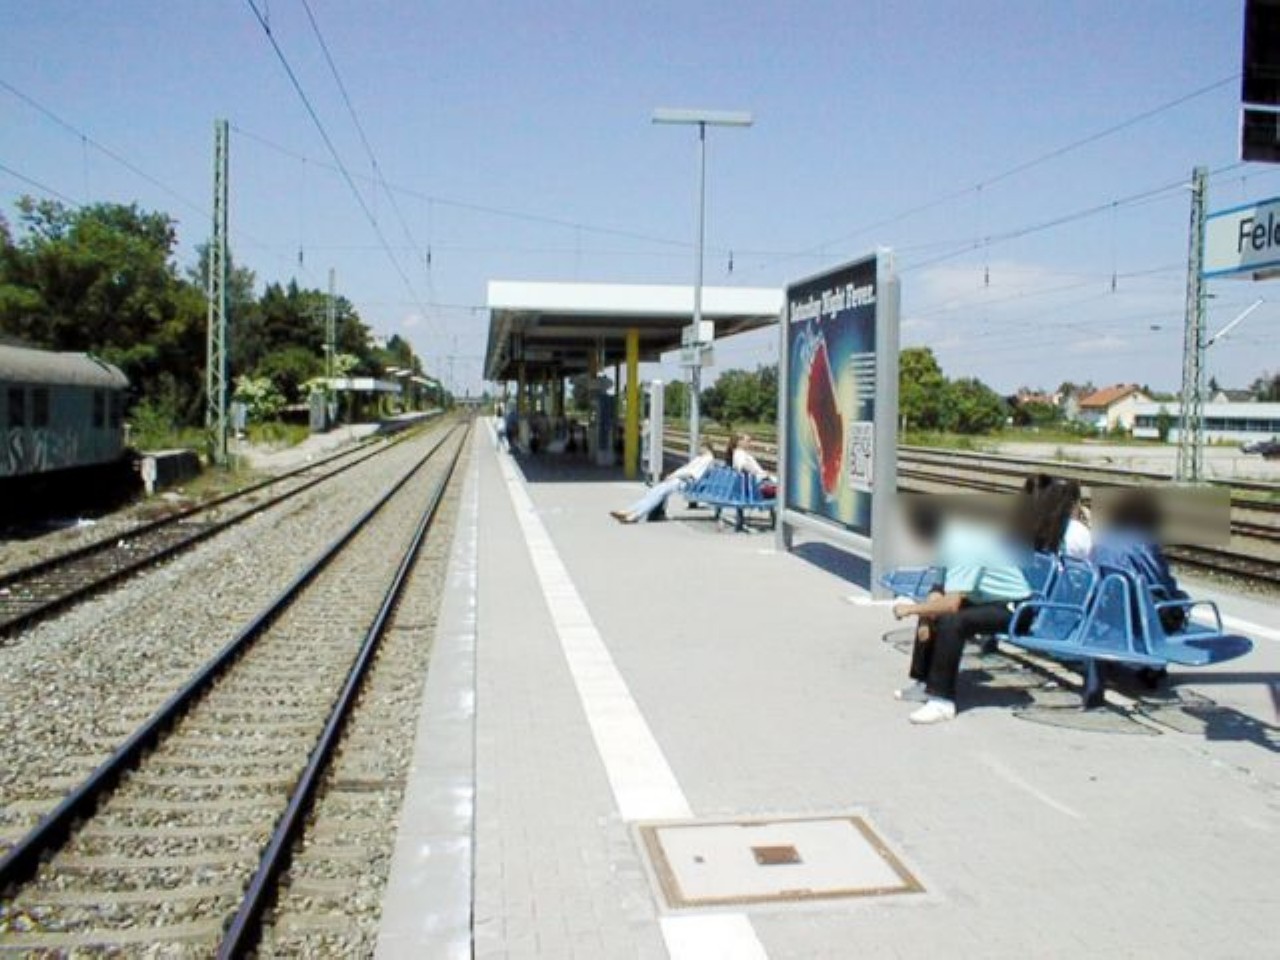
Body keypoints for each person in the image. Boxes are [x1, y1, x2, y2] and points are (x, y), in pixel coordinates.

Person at [891, 499, 1032, 724]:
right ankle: (924, 684)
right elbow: (938, 590)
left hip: (1015, 609)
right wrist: (925, 617)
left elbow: (951, 604)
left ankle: (942, 701)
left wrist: (910, 610)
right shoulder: (945, 541)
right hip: (984, 601)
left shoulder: (964, 545)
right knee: (933, 611)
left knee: (952, 621)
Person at [1090, 488, 1187, 632]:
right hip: (1141, 615)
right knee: (1182, 598)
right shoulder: (1144, 544)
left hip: (1108, 610)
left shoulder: (1103, 539)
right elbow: (1161, 583)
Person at [610, 444, 716, 524]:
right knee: (654, 492)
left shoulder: (707, 459)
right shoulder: (701, 458)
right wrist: (672, 475)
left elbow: (692, 474)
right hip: (678, 480)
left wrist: (674, 476)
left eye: (701, 447)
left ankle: (634, 515)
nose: (699, 449)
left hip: (684, 482)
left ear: (706, 447)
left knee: (658, 494)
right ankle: (629, 512)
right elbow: (686, 469)